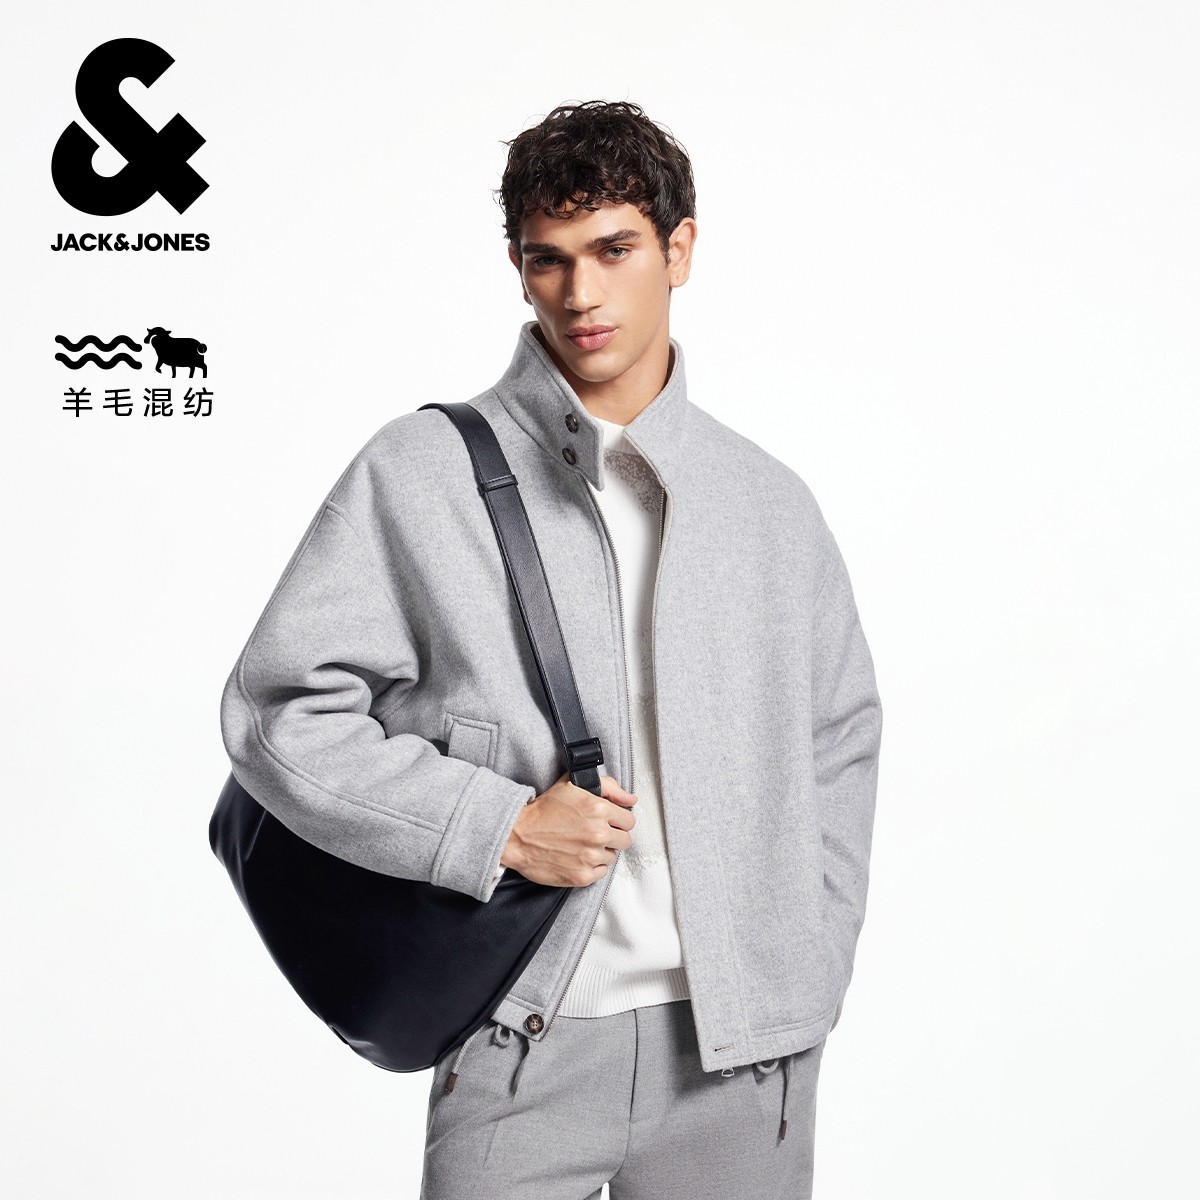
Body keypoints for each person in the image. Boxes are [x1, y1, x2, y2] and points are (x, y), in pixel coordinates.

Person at [220, 100, 882, 1200]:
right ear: (519, 270)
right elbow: (278, 713)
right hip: (522, 1039)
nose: (580, 293)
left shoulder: (768, 504)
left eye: (614, 250)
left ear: (678, 250)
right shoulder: (420, 473)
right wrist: (498, 826)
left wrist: (803, 963)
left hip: (744, 1058)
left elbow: (839, 738)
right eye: (548, 259)